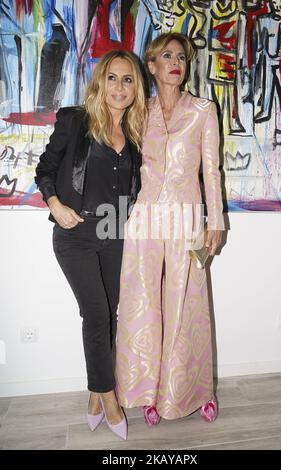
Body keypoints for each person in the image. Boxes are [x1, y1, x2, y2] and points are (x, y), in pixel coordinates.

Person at [35, 50, 146, 440]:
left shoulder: (135, 132)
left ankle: (95, 394)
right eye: (113, 78)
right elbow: (45, 168)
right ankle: (110, 396)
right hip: (76, 235)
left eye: (128, 80)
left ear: (136, 88)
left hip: (115, 235)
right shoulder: (75, 120)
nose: (120, 87)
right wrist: (55, 204)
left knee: (110, 315)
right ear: (100, 82)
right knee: (96, 314)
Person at [115, 33, 225, 425]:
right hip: (145, 218)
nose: (176, 61)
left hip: (188, 218)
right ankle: (147, 391)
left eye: (181, 56)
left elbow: (210, 170)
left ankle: (195, 391)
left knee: (187, 303)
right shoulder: (138, 110)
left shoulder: (203, 110)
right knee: (144, 304)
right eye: (167, 55)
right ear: (152, 65)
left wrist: (216, 219)